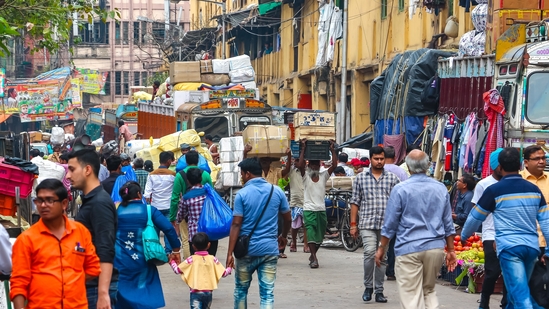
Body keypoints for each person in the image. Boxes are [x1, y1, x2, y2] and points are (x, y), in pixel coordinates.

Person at [462, 147, 549, 308]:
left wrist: (463, 236)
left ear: (500, 167)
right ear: (522, 164)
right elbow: (546, 221)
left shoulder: (494, 190)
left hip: (510, 249)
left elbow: (475, 218)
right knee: (513, 293)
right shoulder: (534, 190)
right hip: (532, 248)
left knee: (520, 296)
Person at [374, 150, 457, 309]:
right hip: (435, 248)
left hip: (408, 248)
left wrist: (381, 248)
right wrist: (451, 249)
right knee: (429, 290)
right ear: (427, 166)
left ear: (408, 167)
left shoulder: (400, 189)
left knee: (411, 295)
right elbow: (448, 222)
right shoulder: (440, 188)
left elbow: (390, 223)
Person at [10, 179, 101, 309]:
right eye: (39, 200)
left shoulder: (80, 232)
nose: (43, 205)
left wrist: (72, 282)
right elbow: (18, 283)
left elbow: (93, 268)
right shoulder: (27, 239)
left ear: (64, 204)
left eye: (50, 200)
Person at [226, 158, 291, 308]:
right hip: (269, 249)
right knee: (267, 293)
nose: (241, 177)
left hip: (246, 251)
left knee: (241, 290)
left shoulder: (241, 195)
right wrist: (284, 237)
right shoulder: (277, 191)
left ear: (248, 174)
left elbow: (236, 224)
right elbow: (288, 219)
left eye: (242, 174)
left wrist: (230, 253)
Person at [114, 181, 181, 309]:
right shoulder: (149, 210)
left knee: (121, 290)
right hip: (143, 262)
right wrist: (176, 250)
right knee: (143, 290)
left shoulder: (116, 210)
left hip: (120, 261)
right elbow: (168, 229)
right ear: (139, 194)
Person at [67, 148, 118, 309]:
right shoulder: (91, 200)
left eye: (72, 169)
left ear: (87, 169)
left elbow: (105, 248)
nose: (68, 175)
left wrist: (103, 293)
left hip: (96, 288)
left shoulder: (99, 203)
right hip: (89, 285)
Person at [350, 146, 400, 303]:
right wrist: (353, 224)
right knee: (370, 253)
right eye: (376, 159)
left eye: (382, 159)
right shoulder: (360, 177)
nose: (379, 161)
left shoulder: (393, 179)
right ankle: (368, 287)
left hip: (386, 225)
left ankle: (379, 291)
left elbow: (399, 201)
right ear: (370, 159)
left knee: (382, 257)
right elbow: (355, 202)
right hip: (367, 222)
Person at [468, 148, 507, 309]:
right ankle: (484, 301)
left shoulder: (514, 183)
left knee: (510, 272)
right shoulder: (483, 185)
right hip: (490, 233)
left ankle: (506, 302)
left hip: (511, 235)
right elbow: (475, 210)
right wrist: (469, 233)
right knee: (492, 272)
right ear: (496, 166)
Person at [296, 139, 337, 268]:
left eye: (316, 165)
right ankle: (314, 258)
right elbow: (300, 165)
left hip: (321, 210)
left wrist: (332, 150)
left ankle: (313, 254)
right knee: (311, 232)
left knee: (319, 236)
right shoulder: (305, 176)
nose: (314, 167)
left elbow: (334, 165)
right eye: (312, 165)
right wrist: (303, 148)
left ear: (319, 166)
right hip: (309, 209)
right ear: (309, 166)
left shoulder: (324, 175)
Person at [171, 150, 213, 258]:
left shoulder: (179, 175)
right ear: (198, 160)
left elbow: (175, 197)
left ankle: (188, 263)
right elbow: (212, 195)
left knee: (185, 239)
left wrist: (173, 217)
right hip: (206, 215)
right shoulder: (206, 174)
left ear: (186, 161)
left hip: (186, 214)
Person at [173, 233, 231, 309]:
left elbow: (177, 270)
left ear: (193, 246)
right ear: (209, 245)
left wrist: (172, 262)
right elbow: (223, 273)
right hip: (208, 293)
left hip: (195, 292)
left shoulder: (191, 259)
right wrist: (229, 268)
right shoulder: (212, 259)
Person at [177, 168, 218, 255]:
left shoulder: (186, 198)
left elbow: (180, 217)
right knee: (210, 261)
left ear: (188, 181)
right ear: (201, 178)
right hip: (212, 233)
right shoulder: (210, 192)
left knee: (196, 264)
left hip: (196, 237)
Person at [144, 151, 176, 255]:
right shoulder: (173, 175)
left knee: (155, 230)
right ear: (168, 161)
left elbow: (147, 194)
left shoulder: (151, 175)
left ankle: (156, 251)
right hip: (168, 206)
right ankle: (168, 251)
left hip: (155, 207)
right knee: (168, 229)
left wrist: (148, 207)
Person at [520, 144, 549, 256]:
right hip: (525, 242)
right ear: (526, 162)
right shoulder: (518, 180)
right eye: (537, 159)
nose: (541, 161)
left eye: (543, 158)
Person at [281, 149, 309, 254]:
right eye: (296, 160)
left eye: (300, 160)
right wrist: (289, 156)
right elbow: (286, 171)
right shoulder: (291, 171)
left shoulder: (308, 172)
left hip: (306, 200)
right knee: (295, 225)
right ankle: (294, 242)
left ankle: (306, 244)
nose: (298, 162)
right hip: (296, 201)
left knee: (306, 224)